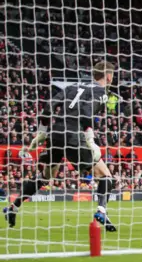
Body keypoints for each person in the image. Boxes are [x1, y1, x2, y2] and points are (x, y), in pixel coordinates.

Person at [4, 61, 118, 232]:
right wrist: (90, 140)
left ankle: (13, 207)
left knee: (46, 175)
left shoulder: (73, 86)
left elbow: (49, 105)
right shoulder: (101, 92)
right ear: (108, 77)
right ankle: (101, 210)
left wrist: (42, 132)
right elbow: (86, 113)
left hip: (56, 134)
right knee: (106, 175)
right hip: (74, 136)